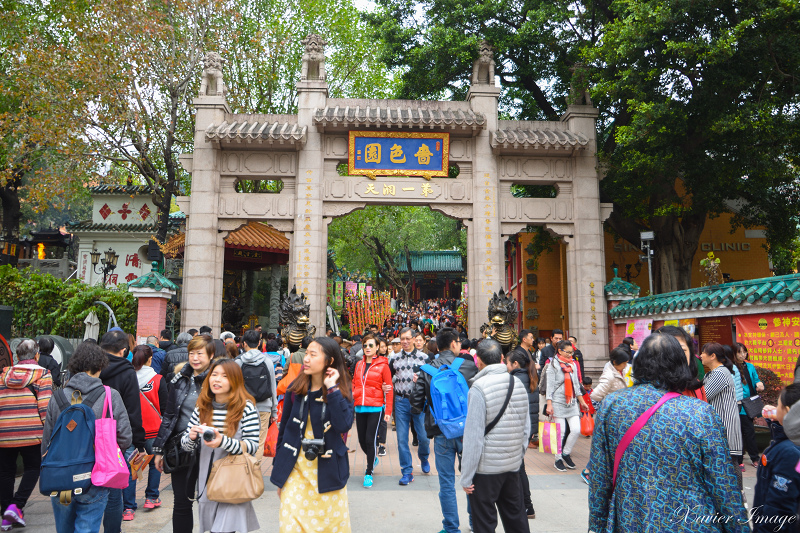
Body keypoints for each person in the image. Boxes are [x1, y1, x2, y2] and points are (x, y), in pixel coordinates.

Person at [588, 333, 748, 533]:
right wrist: (739, 528)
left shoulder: (611, 406)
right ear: (680, 366)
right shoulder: (700, 412)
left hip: (631, 519)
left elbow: (599, 477)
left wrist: (596, 525)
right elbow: (722, 482)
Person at [43, 342, 132, 533]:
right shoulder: (109, 396)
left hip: (61, 478)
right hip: (95, 476)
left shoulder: (57, 397)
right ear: (99, 366)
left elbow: (46, 442)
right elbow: (125, 438)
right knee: (87, 528)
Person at [271, 336, 354, 533]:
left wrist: (332, 388)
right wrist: (280, 474)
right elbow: (284, 431)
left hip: (328, 472)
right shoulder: (295, 389)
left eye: (312, 355)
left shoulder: (341, 390)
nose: (306, 359)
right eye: (306, 353)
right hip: (296, 471)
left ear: (329, 361)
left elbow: (344, 425)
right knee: (290, 527)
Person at [411, 327, 479, 533]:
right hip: (467, 430)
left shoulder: (426, 370)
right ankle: (475, 523)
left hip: (441, 432)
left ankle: (451, 527)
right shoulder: (468, 366)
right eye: (459, 342)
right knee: (472, 480)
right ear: (453, 344)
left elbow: (415, 404)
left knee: (446, 482)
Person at [180, 359, 260, 533]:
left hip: (234, 481)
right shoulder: (202, 407)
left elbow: (252, 445)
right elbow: (186, 445)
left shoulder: (246, 408)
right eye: (214, 375)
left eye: (224, 376)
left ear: (235, 380)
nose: (217, 380)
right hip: (207, 480)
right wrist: (192, 437)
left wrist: (222, 442)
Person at [460, 340, 530, 533]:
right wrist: (517, 456)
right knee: (516, 519)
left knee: (485, 523)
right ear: (501, 358)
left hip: (485, 471)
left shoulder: (478, 388)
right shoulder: (517, 383)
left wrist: (466, 476)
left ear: (478, 361)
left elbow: (473, 437)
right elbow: (526, 429)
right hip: (512, 466)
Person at [152, 334, 215, 533]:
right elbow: (169, 416)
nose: (195, 358)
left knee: (212, 502)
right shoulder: (179, 379)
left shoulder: (218, 381)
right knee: (181, 502)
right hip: (181, 448)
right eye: (191, 353)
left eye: (199, 354)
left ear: (211, 355)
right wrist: (159, 449)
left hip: (211, 449)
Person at [0, 339, 52, 531]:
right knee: (33, 468)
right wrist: (49, 433)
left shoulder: (3, 375)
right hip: (31, 432)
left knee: (5, 472)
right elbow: (45, 406)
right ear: (37, 355)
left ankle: (7, 515)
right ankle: (16, 505)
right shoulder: (43, 374)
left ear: (16, 356)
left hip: (4, 432)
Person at [98, 330, 145, 530]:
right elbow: (133, 410)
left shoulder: (91, 368)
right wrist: (138, 443)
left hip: (91, 435)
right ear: (124, 350)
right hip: (117, 439)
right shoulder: (127, 372)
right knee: (114, 493)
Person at [124, 345, 167, 518]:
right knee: (154, 464)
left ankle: (128, 508)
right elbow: (164, 408)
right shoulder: (158, 379)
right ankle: (151, 497)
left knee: (133, 466)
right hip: (154, 430)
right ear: (150, 359)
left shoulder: (128, 379)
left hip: (132, 430)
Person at [580, 347, 630, 485]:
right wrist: (611, 399)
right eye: (624, 363)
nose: (626, 365)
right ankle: (588, 471)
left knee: (611, 444)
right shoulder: (609, 376)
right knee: (607, 444)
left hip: (619, 413)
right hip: (611, 415)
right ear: (615, 362)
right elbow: (595, 395)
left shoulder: (622, 370)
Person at [753, 384, 800, 533]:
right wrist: (778, 422)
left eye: (778, 405)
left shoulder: (789, 452)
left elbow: (779, 508)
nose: (775, 408)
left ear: (787, 411)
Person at [389, 327, 431, 485]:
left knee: (424, 438)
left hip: (419, 402)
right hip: (401, 402)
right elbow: (390, 378)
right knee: (401, 439)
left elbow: (431, 380)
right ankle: (406, 471)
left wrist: (420, 381)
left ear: (414, 339)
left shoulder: (424, 358)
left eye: (408, 338)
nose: (405, 342)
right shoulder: (394, 359)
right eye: (402, 339)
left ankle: (424, 457)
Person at [701, 343, 743, 492]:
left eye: (703, 353)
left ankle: (738, 496)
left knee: (730, 462)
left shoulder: (720, 373)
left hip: (726, 425)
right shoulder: (712, 373)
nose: (701, 356)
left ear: (712, 356)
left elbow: (704, 396)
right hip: (720, 425)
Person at [352, 333, 393, 488]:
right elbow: (355, 384)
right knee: (362, 441)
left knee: (370, 440)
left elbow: (389, 389)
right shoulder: (358, 365)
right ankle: (373, 457)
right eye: (365, 345)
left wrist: (388, 411)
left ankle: (369, 472)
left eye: (371, 345)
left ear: (377, 348)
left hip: (375, 406)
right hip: (360, 406)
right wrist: (354, 396)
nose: (367, 348)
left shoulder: (384, 366)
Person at [504, 346, 538, 521]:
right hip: (527, 428)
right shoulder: (529, 376)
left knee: (519, 469)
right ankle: (526, 506)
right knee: (519, 468)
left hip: (517, 429)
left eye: (507, 364)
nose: (506, 367)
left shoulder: (516, 380)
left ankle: (527, 506)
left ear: (515, 363)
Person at [544, 340, 588, 472]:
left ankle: (566, 453)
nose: (570, 355)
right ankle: (558, 459)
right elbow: (549, 387)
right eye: (568, 352)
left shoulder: (573, 364)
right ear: (560, 351)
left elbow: (576, 385)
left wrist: (582, 402)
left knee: (575, 429)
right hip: (557, 402)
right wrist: (549, 404)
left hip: (572, 402)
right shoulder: (553, 365)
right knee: (561, 431)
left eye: (572, 352)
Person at [235, 330, 279, 461]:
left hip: (242, 406)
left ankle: (245, 470)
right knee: (259, 442)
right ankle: (255, 470)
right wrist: (274, 411)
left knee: (243, 439)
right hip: (264, 407)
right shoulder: (267, 361)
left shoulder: (238, 362)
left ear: (244, 344)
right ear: (259, 343)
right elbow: (272, 387)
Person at [654, 325, 707, 400]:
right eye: (669, 350)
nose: (677, 355)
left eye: (682, 350)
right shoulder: (645, 392)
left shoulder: (696, 386)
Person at [733, 342, 764, 467]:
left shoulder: (750, 366)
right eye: (739, 352)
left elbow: (756, 379)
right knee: (738, 433)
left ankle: (754, 458)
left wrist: (759, 384)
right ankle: (739, 460)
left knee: (750, 432)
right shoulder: (731, 367)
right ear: (734, 354)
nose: (743, 354)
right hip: (736, 405)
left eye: (744, 352)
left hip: (748, 404)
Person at [376, 338, 391, 456]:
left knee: (383, 421)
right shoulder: (368, 360)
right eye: (382, 346)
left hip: (384, 396)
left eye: (385, 346)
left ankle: (382, 444)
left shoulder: (387, 360)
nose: (384, 348)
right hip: (374, 395)